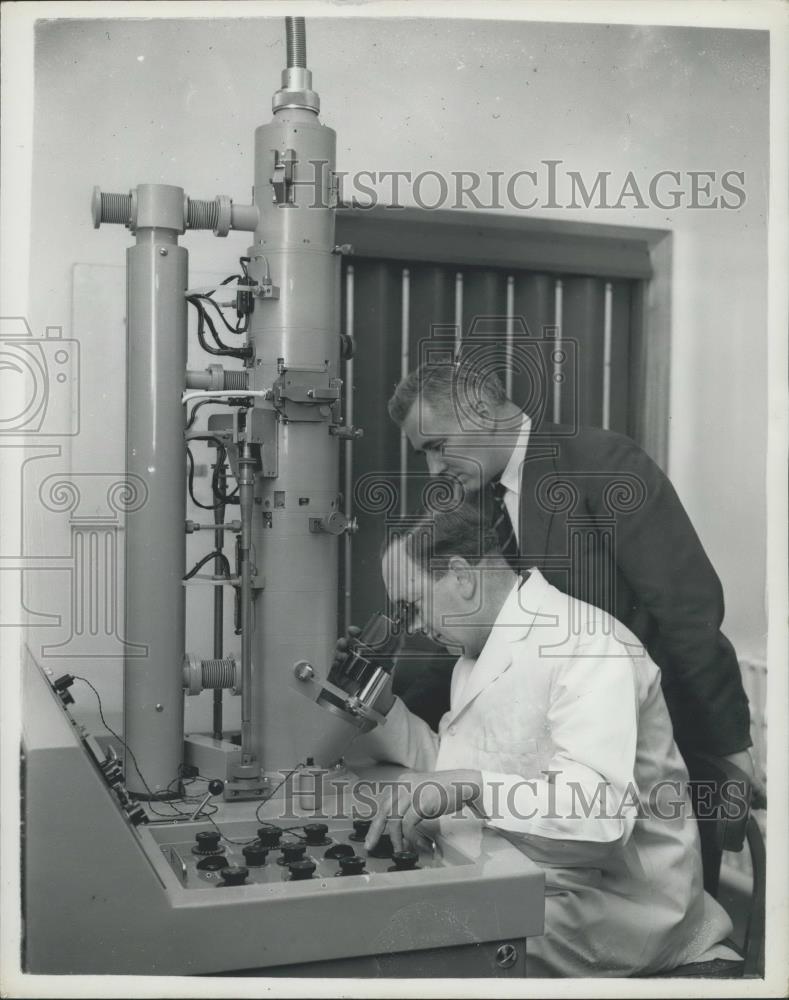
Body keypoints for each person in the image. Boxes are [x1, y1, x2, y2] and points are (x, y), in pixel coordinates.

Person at [359, 502, 742, 978]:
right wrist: (378, 711)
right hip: (533, 875)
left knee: (403, 952)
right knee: (380, 930)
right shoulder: (477, 653)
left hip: (616, 905)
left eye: (412, 605)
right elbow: (458, 767)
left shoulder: (587, 645)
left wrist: (474, 785)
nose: (413, 626)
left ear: (461, 576)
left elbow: (599, 817)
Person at [386, 359, 753, 777]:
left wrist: (729, 745)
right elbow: (475, 631)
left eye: (437, 446)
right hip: (554, 754)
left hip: (647, 748)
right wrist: (391, 714)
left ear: (482, 413)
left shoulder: (603, 462)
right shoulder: (476, 502)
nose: (434, 469)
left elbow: (688, 612)